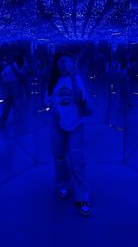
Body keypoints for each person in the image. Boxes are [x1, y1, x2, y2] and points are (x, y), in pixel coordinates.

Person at [45, 52, 91, 217]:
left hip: (76, 123)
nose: (65, 65)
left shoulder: (76, 78)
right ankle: (62, 183)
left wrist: (73, 77)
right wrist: (54, 112)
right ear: (57, 63)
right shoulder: (52, 81)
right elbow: (48, 101)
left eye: (68, 62)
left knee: (77, 159)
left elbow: (80, 99)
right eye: (62, 62)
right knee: (59, 156)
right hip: (57, 123)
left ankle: (83, 195)